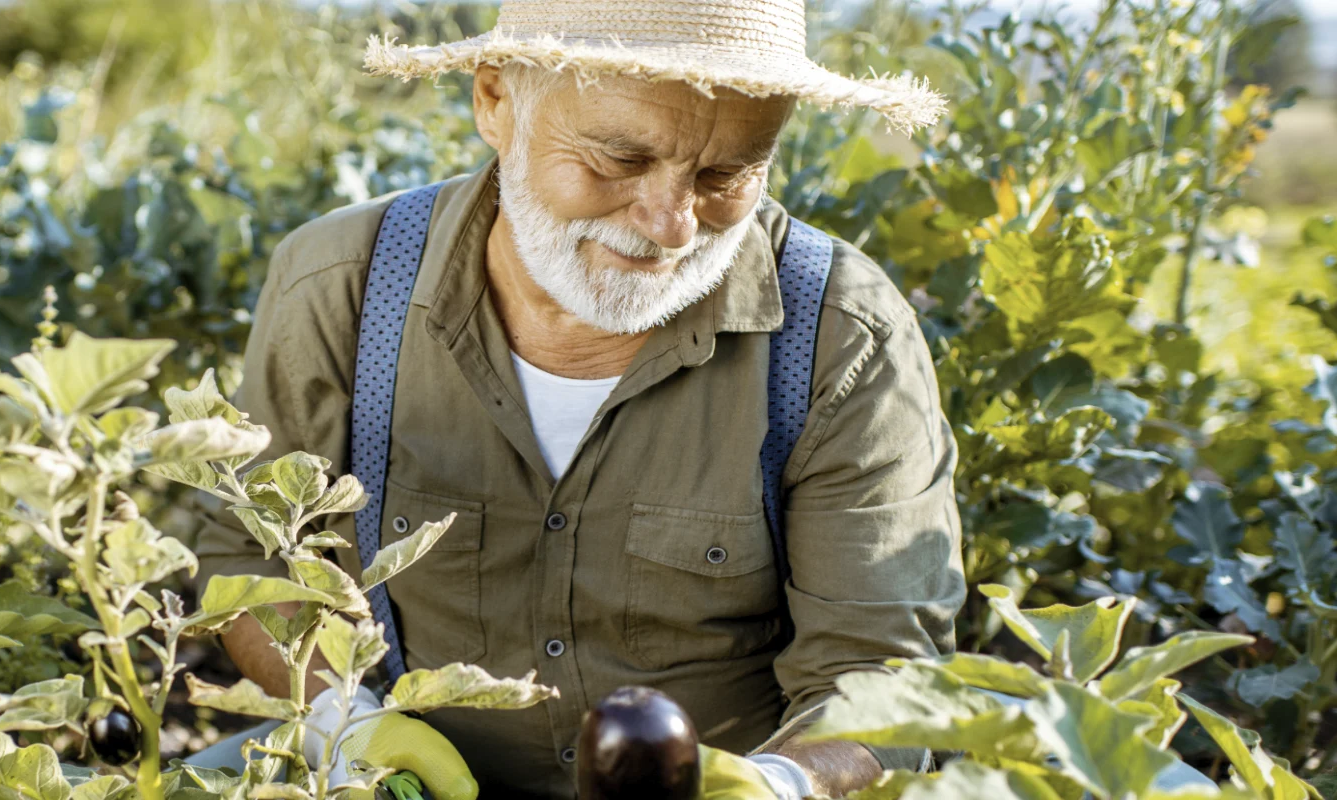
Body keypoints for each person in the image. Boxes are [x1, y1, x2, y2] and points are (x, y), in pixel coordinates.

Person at [189, 1, 964, 797]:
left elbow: (881, 670)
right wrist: (344, 724)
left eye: (724, 176)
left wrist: (779, 785)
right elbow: (251, 560)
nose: (669, 226)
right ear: (496, 101)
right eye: (618, 160)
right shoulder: (343, 289)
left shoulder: (841, 337)